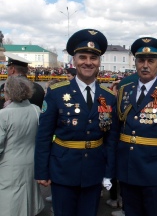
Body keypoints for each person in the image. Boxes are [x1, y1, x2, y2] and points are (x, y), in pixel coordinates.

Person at [34, 28, 119, 216]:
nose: (88, 62)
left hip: (94, 170)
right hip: (63, 169)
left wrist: (108, 171)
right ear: (74, 60)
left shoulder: (108, 97)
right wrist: (42, 171)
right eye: (83, 57)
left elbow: (111, 139)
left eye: (93, 58)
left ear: (99, 62)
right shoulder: (56, 93)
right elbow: (44, 135)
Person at [116, 36, 157, 216]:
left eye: (151, 61)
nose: (145, 65)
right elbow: (118, 130)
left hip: (155, 171)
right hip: (127, 169)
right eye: (141, 60)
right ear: (135, 63)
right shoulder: (125, 90)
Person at [0, 76, 44, 216]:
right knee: (28, 194)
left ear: (9, 92)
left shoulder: (4, 114)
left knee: (11, 201)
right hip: (31, 160)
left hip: (9, 163)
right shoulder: (35, 110)